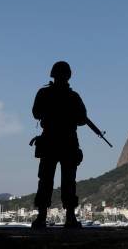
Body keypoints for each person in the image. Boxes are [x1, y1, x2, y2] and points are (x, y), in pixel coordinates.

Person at [31, 60, 87, 230]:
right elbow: (82, 119)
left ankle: (43, 217)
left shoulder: (45, 93)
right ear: (68, 76)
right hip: (66, 142)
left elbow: (36, 113)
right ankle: (68, 217)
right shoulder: (73, 97)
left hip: (52, 141)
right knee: (66, 181)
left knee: (48, 180)